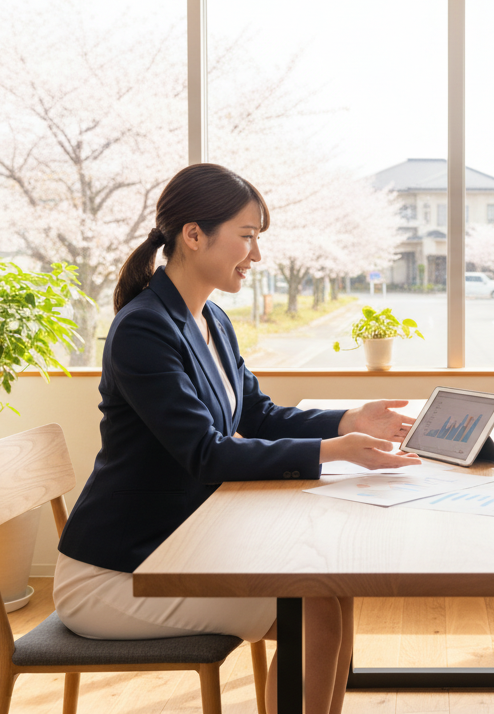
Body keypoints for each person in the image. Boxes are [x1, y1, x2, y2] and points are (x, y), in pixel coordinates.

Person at [54, 163, 421, 714]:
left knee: (332, 594)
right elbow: (205, 453)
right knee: (317, 607)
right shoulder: (143, 328)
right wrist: (331, 453)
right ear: (193, 235)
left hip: (179, 549)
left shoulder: (212, 320)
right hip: (117, 575)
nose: (255, 256)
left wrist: (350, 421)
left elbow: (258, 414)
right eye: (246, 238)